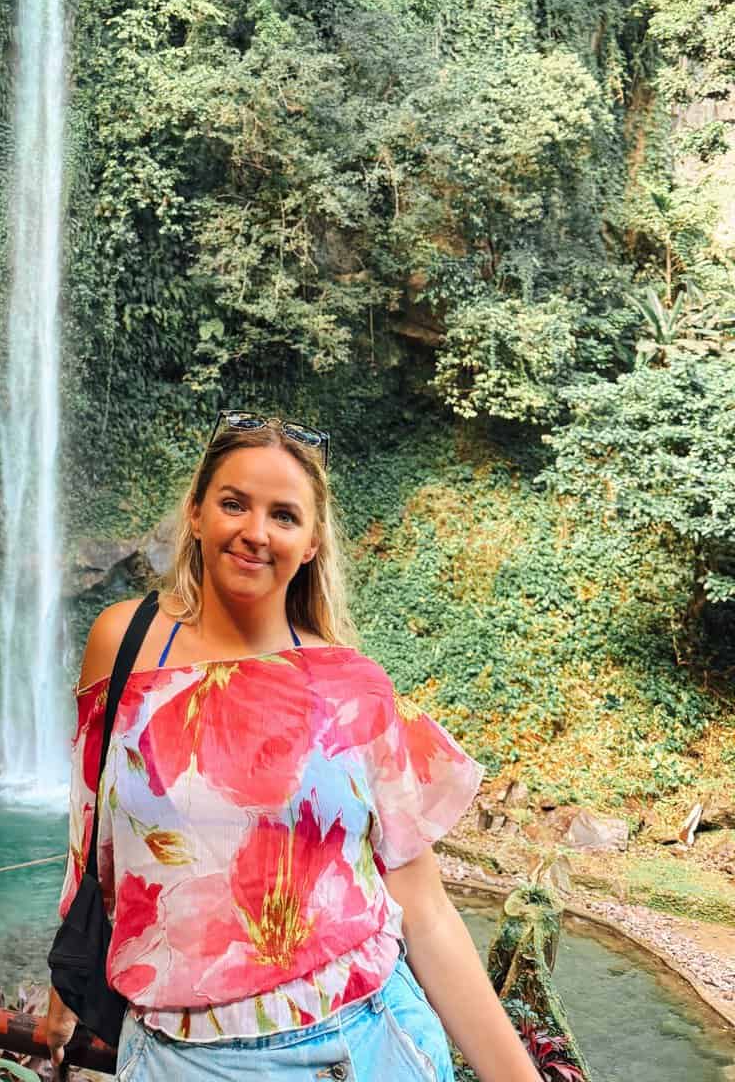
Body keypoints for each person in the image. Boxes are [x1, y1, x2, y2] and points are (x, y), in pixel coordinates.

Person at [45, 411, 543, 1081]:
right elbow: (90, 833)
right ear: (195, 514)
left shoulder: (354, 688)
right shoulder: (122, 642)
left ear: (310, 542)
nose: (255, 532)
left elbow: (422, 906)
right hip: (178, 1057)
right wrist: (64, 983)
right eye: (233, 504)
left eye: (284, 515)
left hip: (362, 1042)